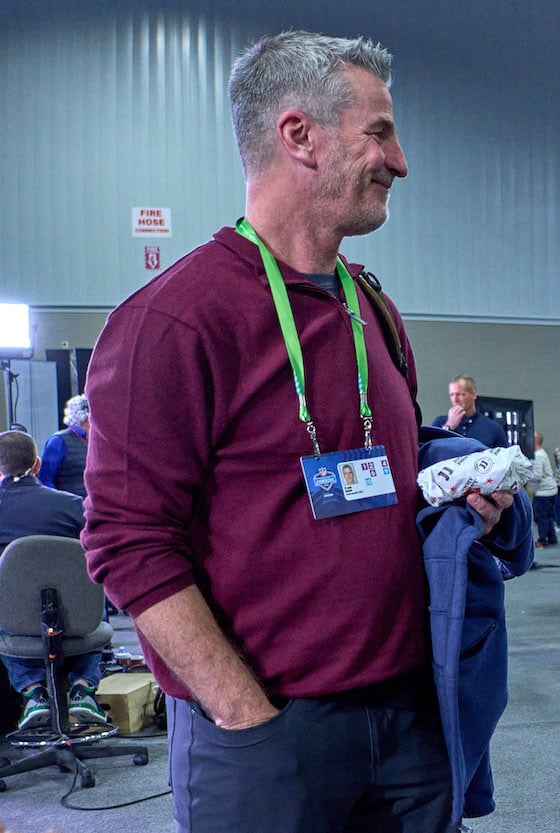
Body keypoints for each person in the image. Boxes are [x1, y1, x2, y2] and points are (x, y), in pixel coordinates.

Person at [81, 31, 519, 833]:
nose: (400, 160)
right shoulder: (172, 322)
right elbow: (127, 543)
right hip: (265, 732)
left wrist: (464, 491)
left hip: (409, 726)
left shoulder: (372, 308)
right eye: (379, 132)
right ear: (299, 136)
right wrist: (245, 715)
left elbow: (388, 469)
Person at [0, 430, 106, 729]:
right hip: (78, 622)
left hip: (14, 624)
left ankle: (33, 692)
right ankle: (83, 687)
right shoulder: (76, 506)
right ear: (36, 465)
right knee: (94, 585)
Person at [432, 374, 508, 448]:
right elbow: (431, 452)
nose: (455, 400)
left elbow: (505, 458)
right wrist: (449, 427)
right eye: (452, 395)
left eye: (460, 394)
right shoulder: (439, 423)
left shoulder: (493, 428)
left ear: (473, 395)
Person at [37, 394, 89, 498]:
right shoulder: (58, 441)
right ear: (87, 417)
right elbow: (45, 480)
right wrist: (60, 504)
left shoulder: (98, 441)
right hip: (70, 508)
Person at [530, 432, 558, 548]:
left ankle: (542, 540)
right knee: (548, 516)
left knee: (541, 517)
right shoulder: (543, 453)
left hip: (543, 492)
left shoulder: (537, 456)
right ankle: (552, 538)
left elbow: (537, 475)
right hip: (551, 490)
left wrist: (525, 474)